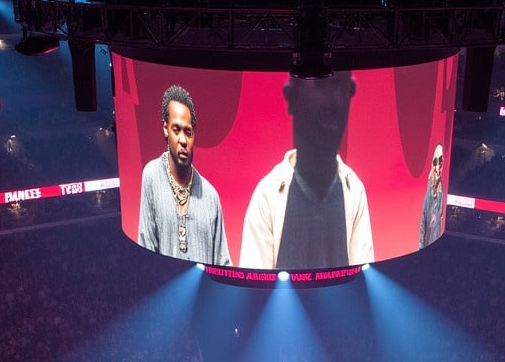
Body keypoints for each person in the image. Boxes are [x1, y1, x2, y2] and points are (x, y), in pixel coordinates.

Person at [239, 71, 373, 269]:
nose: (336, 102)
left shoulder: (354, 191)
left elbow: (363, 282)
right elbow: (254, 291)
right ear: (291, 97)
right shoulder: (267, 195)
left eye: (343, 87)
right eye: (322, 85)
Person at [138, 84, 231, 266]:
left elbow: (223, 263)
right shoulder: (152, 176)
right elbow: (146, 251)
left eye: (188, 132)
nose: (183, 140)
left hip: (204, 294)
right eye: (176, 129)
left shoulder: (210, 196)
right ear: (165, 129)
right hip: (164, 291)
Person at [419, 143, 444, 249]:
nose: (438, 165)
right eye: (435, 161)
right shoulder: (430, 184)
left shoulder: (442, 186)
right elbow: (423, 218)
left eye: (440, 160)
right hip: (428, 241)